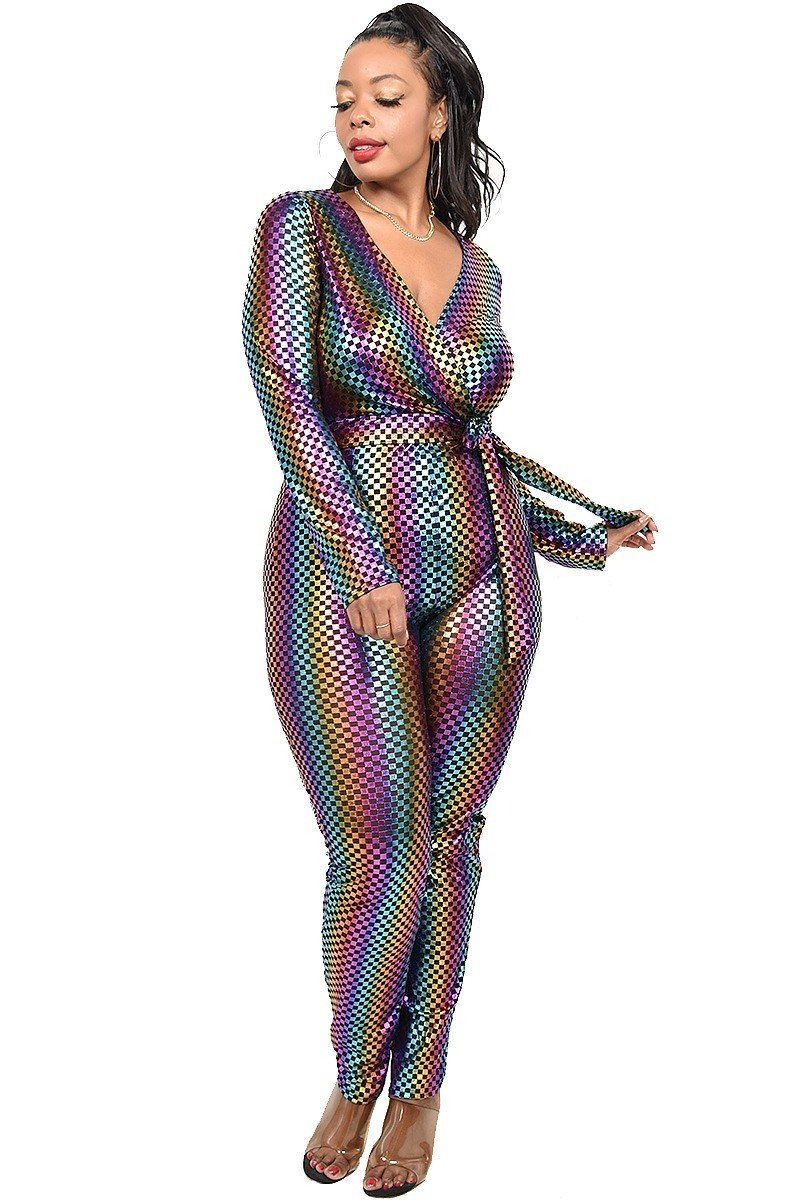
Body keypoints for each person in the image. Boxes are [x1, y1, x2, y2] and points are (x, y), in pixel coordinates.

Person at [241, 4, 657, 1192]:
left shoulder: (478, 269)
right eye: (342, 98)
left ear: (439, 114)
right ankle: (353, 1075)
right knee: (373, 849)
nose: (356, 117)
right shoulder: (302, 227)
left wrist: (580, 537)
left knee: (448, 840)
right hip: (341, 572)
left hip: (486, 569)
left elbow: (469, 440)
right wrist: (362, 560)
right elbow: (283, 391)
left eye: (383, 97)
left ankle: (420, 1090)